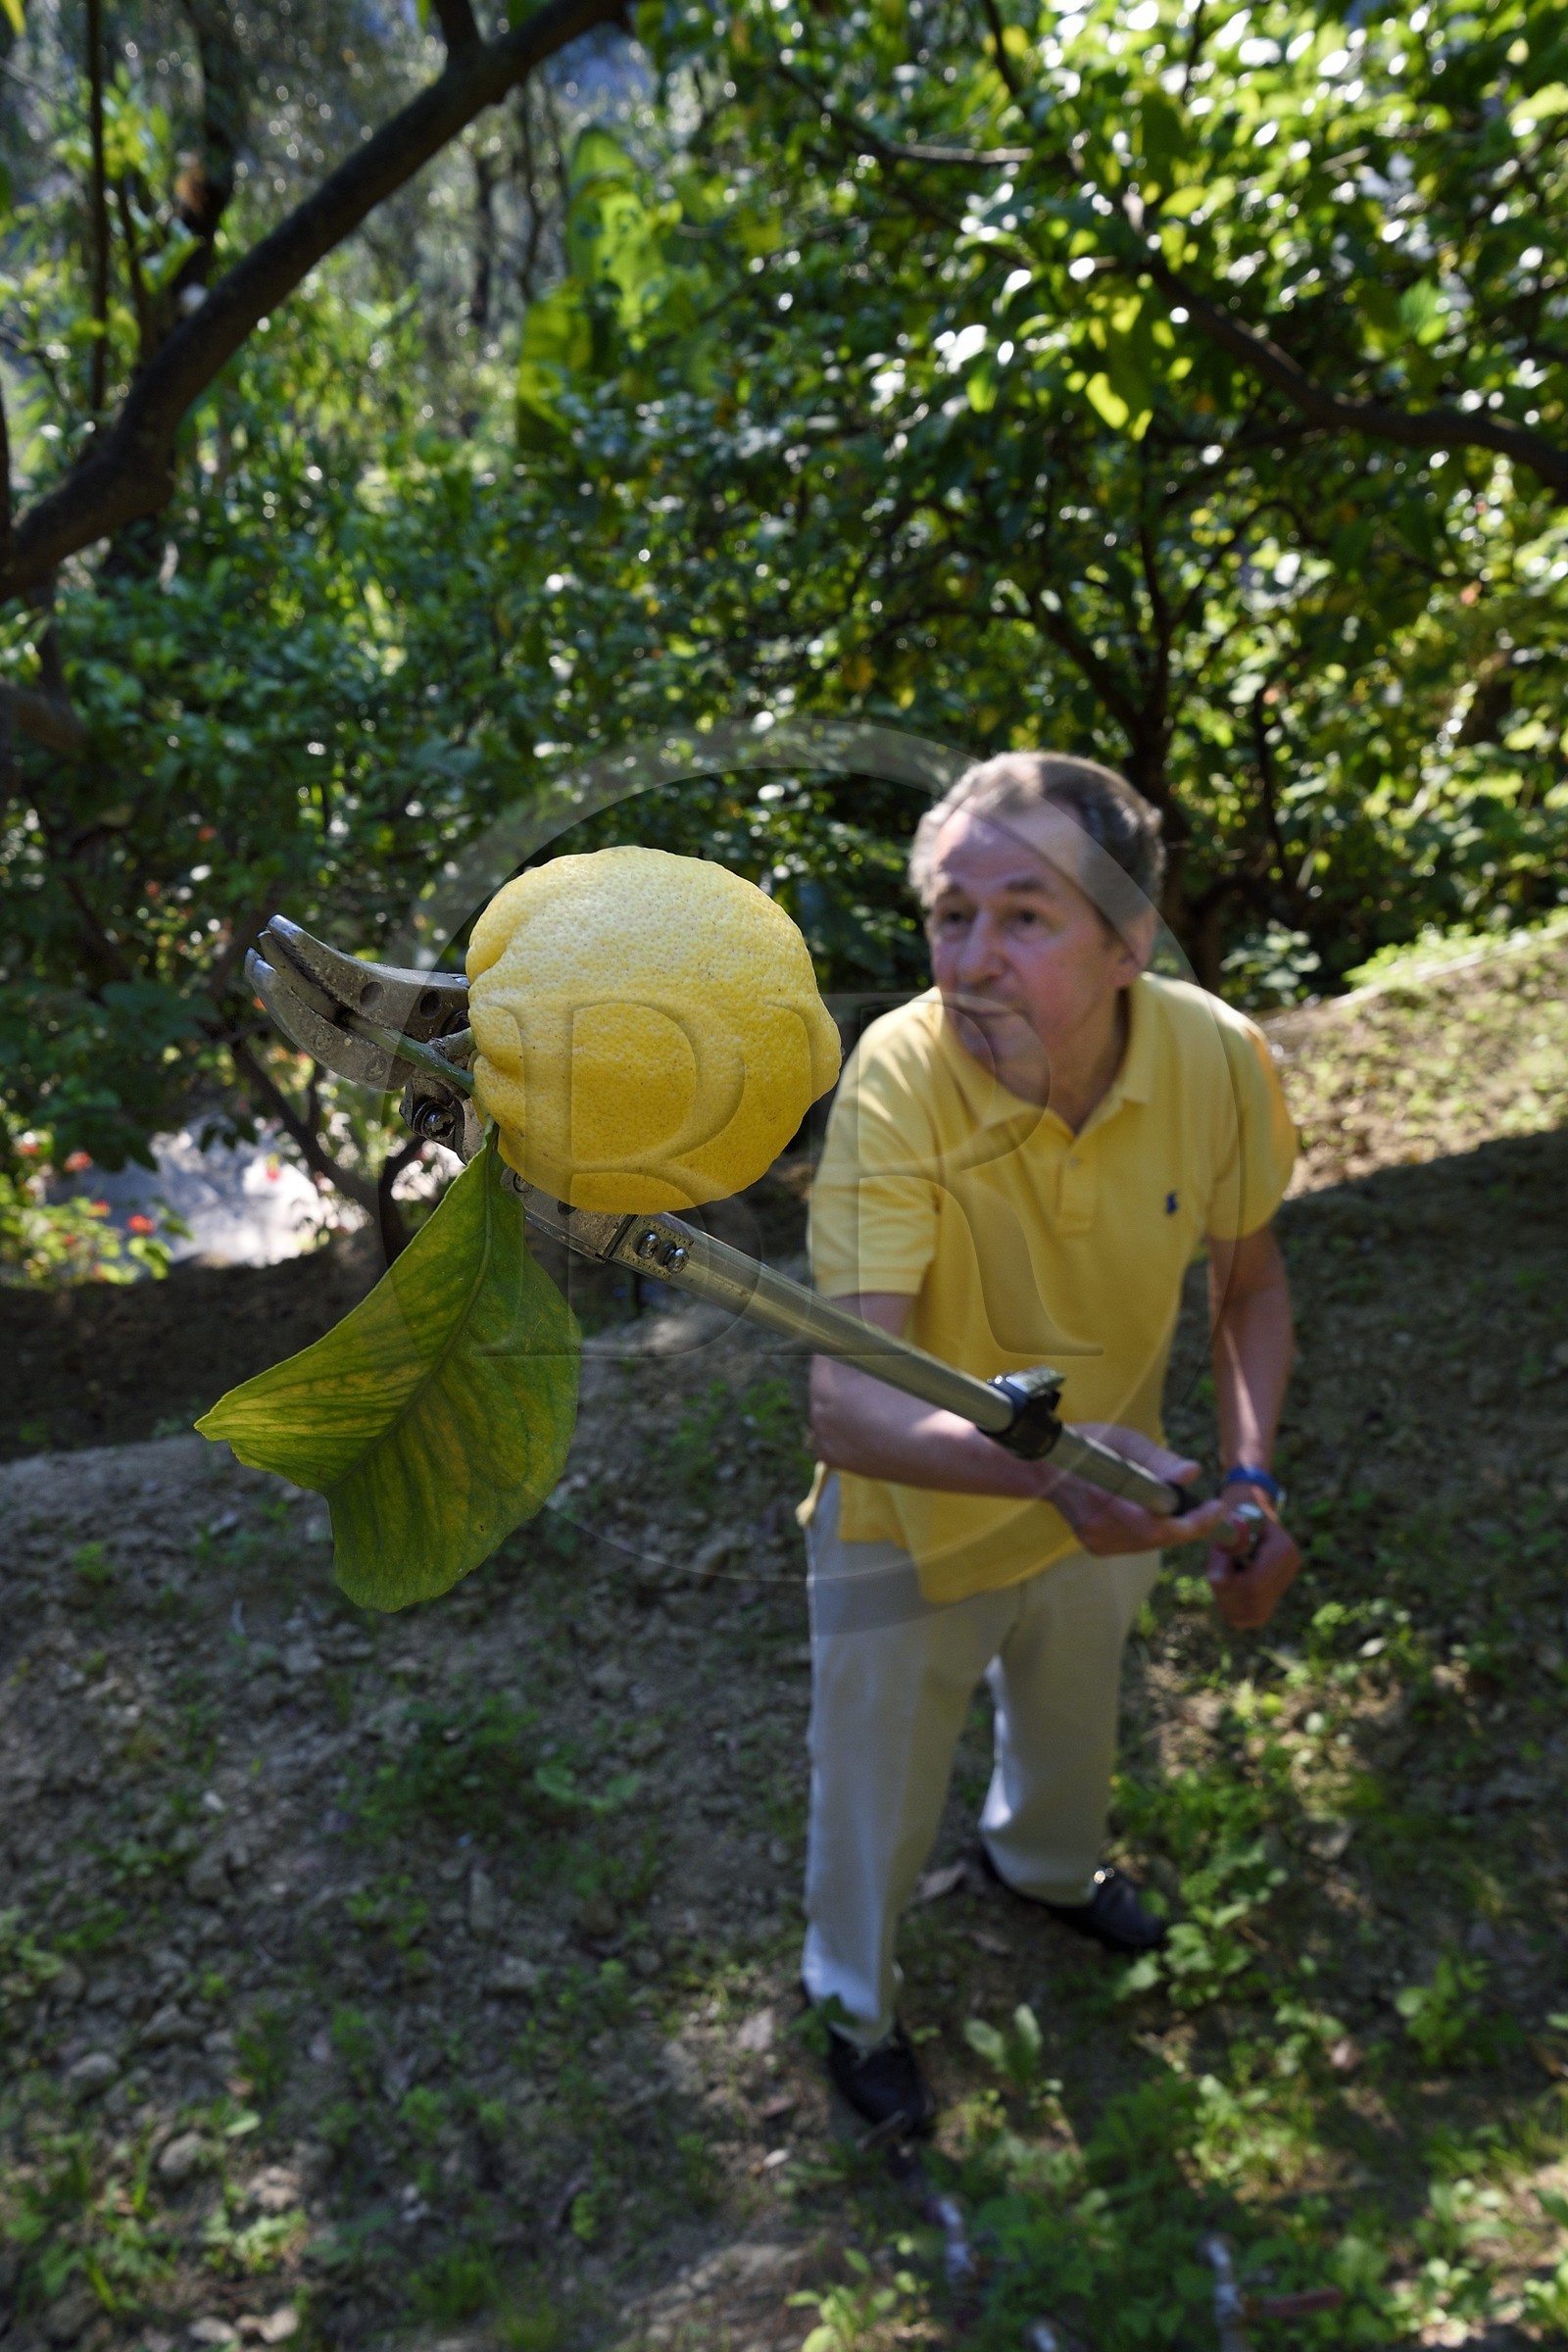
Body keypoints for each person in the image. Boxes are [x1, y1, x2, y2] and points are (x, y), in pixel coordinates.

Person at [799, 752, 1301, 2133]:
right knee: (875, 1810)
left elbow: (1248, 1288)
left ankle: (1048, 1871)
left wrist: (1249, 1481)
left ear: (1130, 941)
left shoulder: (1214, 1057)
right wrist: (1060, 1472)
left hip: (1112, 1507)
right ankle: (855, 2004)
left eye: (1026, 916)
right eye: (949, 917)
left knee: (1075, 1732)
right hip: (910, 1523)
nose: (972, 958)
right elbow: (843, 1405)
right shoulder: (898, 1080)